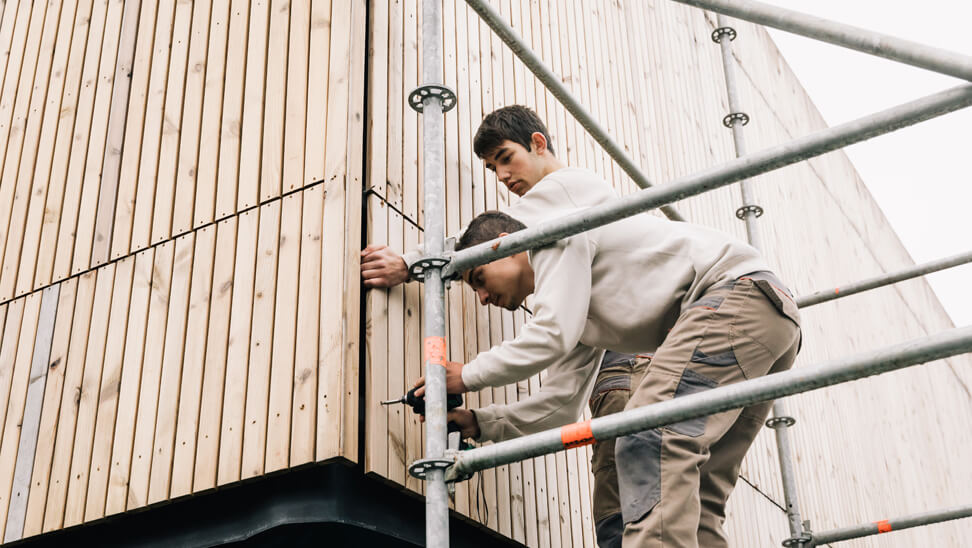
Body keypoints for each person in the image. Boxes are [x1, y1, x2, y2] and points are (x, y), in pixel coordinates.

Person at [413, 204, 801, 547]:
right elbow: (560, 407)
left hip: (735, 298)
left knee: (650, 434)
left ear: (507, 243)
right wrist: (481, 423)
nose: (482, 297)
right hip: (768, 320)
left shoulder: (554, 238)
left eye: (479, 278)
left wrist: (466, 375)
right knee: (697, 487)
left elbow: (549, 334)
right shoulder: (576, 308)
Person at [361, 105, 646, 545]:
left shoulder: (567, 188)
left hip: (636, 358)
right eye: (492, 168)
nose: (502, 176)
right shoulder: (577, 286)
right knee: (624, 495)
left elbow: (484, 240)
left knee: (630, 486)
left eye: (505, 157)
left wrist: (412, 263)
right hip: (628, 348)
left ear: (538, 143)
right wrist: (479, 422)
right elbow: (563, 404)